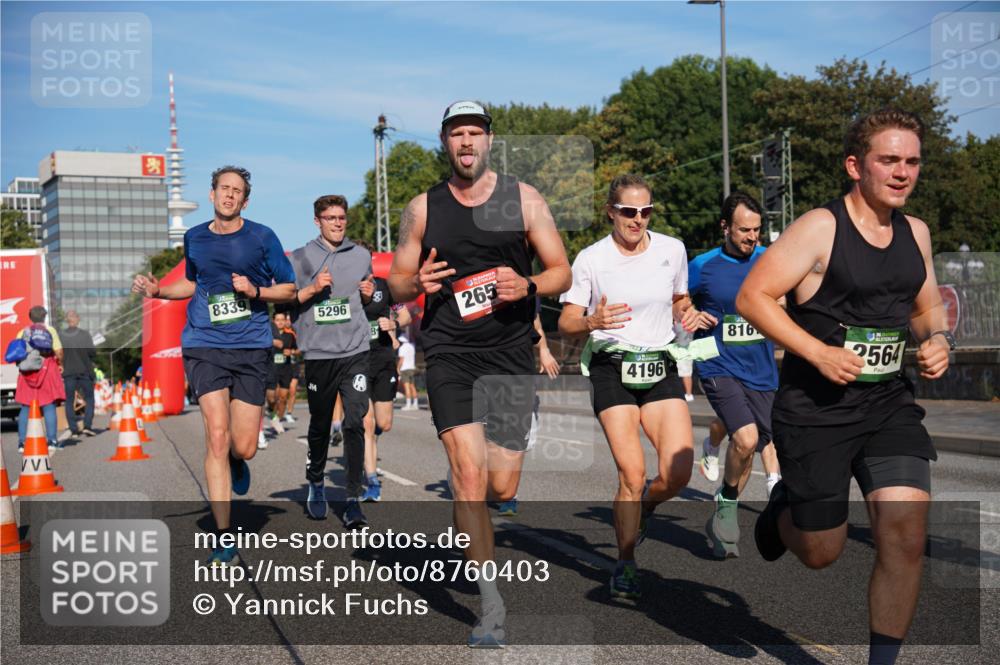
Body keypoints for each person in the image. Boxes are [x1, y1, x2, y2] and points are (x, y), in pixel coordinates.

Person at [739, 109, 952, 665]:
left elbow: (926, 306)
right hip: (816, 410)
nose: (903, 172)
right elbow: (753, 297)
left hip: (888, 405)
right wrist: (815, 351)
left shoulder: (917, 233)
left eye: (912, 161)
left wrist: (938, 339)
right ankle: (785, 511)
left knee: (905, 536)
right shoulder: (819, 227)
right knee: (820, 552)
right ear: (856, 166)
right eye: (890, 160)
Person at [389, 100, 571, 648]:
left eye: (474, 133)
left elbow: (561, 270)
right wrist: (414, 282)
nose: (466, 142)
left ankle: (472, 518)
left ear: (489, 140)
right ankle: (491, 606)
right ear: (445, 143)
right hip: (449, 352)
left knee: (500, 484)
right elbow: (396, 283)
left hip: (511, 352)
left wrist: (531, 285)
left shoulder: (524, 199)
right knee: (467, 475)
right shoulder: (423, 209)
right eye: (456, 134)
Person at [132, 165, 296, 565]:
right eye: (223, 188)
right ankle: (225, 535)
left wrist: (255, 290)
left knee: (242, 445)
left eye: (237, 191)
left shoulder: (262, 237)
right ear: (211, 194)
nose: (229, 195)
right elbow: (193, 282)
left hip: (251, 347)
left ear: (245, 200)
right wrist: (159, 291)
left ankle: (239, 462)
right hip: (204, 344)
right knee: (216, 437)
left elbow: (289, 287)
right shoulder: (195, 237)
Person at [559, 173, 710, 600]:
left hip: (659, 363)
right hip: (612, 367)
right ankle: (625, 562)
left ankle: (644, 509)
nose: (637, 219)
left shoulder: (672, 250)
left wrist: (690, 315)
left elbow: (680, 301)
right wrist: (592, 321)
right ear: (611, 211)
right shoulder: (591, 259)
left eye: (645, 211)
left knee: (678, 472)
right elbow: (566, 322)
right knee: (632, 472)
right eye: (628, 211)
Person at [688, 191, 782, 559]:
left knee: (751, 448)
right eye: (745, 230)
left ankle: (724, 504)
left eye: (757, 230)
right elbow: (677, 297)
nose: (752, 237)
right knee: (745, 438)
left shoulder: (770, 261)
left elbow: (792, 295)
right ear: (725, 227)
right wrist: (687, 312)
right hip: (716, 362)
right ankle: (727, 505)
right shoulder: (703, 265)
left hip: (760, 368)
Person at [286, 194, 373, 526]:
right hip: (320, 354)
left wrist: (369, 292)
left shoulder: (361, 255)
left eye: (342, 217)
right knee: (320, 425)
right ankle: (317, 482)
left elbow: (369, 289)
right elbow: (285, 301)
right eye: (331, 218)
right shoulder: (299, 259)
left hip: (356, 351)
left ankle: (352, 499)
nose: (338, 223)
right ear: (317, 221)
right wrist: (311, 289)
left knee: (355, 421)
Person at [356, 240, 412, 503]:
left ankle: (369, 441)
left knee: (384, 424)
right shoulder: (342, 287)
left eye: (364, 257)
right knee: (366, 424)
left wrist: (393, 321)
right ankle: (372, 481)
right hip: (356, 361)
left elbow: (407, 316)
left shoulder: (384, 285)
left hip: (383, 359)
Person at [494, 313, 561, 517]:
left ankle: (509, 494)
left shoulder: (521, 287)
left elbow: (536, 323)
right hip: (486, 372)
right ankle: (471, 479)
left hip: (519, 373)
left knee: (520, 441)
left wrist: (544, 350)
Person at [15, 306, 65, 451]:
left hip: (27, 372)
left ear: (30, 317)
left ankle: (22, 443)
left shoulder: (22, 332)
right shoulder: (50, 331)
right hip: (47, 368)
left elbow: (17, 351)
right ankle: (52, 441)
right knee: (49, 405)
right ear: (44, 316)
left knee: (25, 406)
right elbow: (59, 352)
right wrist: (60, 363)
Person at [59, 309, 98, 438]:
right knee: (89, 399)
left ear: (67, 320)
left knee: (69, 401)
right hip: (84, 372)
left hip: (69, 372)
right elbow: (92, 353)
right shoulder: (85, 335)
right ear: (78, 320)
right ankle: (87, 426)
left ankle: (73, 429)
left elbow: (59, 353)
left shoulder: (61, 335)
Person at [396, 334, 417, 410]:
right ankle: (415, 404)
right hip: (412, 367)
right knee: (412, 386)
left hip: (405, 368)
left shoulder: (402, 348)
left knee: (406, 387)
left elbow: (401, 360)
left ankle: (408, 405)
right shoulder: (412, 346)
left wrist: (398, 368)